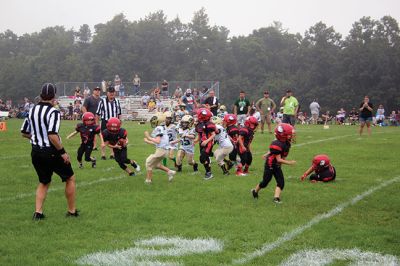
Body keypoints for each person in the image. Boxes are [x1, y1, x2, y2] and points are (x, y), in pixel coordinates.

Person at [21, 83, 78, 220]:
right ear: (54, 97)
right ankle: (72, 211)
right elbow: (52, 135)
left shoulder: (32, 110)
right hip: (50, 151)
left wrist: (36, 137)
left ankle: (38, 213)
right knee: (70, 177)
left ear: (41, 95)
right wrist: (63, 152)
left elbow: (24, 132)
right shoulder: (53, 111)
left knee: (44, 181)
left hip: (35, 151)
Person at [251, 123, 296, 204]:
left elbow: (279, 154)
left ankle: (276, 198)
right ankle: (255, 191)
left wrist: (267, 154)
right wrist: (290, 162)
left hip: (277, 165)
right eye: (289, 134)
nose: (291, 135)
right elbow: (279, 159)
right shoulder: (277, 144)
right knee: (265, 182)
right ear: (283, 135)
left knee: (281, 182)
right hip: (270, 165)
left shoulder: (286, 142)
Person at [96, 86, 122, 160]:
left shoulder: (117, 101)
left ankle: (112, 154)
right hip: (106, 122)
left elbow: (119, 113)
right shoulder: (102, 101)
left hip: (115, 123)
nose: (112, 94)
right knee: (104, 139)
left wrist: (120, 122)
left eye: (113, 92)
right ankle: (103, 154)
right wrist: (97, 124)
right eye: (110, 92)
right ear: (107, 93)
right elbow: (97, 114)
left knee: (113, 138)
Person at [195, 108, 216, 180]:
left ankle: (209, 173)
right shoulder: (198, 124)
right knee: (203, 159)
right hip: (202, 143)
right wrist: (195, 141)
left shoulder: (209, 124)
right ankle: (208, 171)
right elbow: (199, 135)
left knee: (203, 157)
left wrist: (206, 141)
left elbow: (213, 135)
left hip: (208, 143)